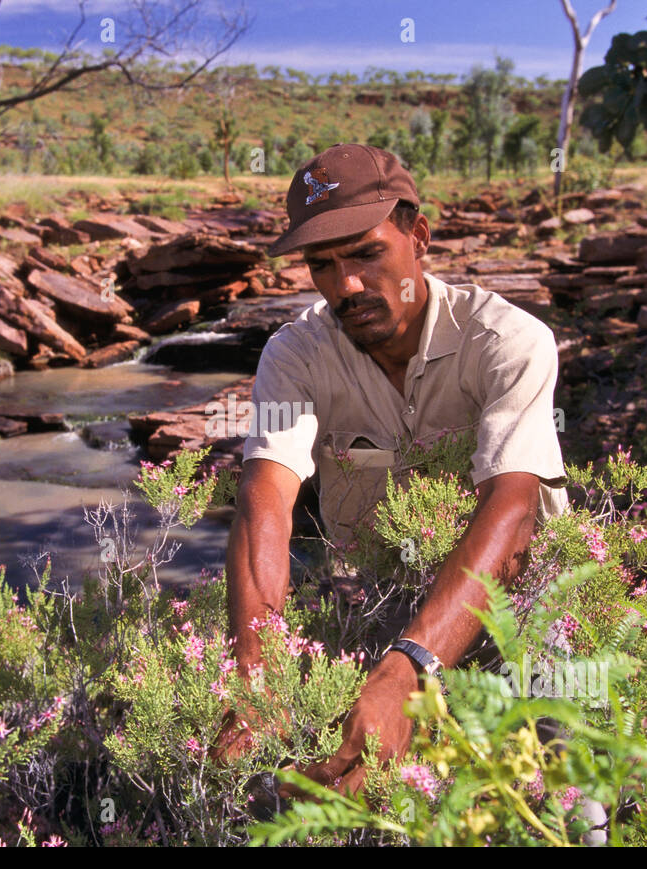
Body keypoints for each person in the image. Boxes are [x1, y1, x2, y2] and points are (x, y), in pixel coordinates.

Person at [211, 142, 572, 802]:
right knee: (343, 798)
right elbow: (265, 500)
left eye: (366, 253)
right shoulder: (296, 355)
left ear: (419, 236)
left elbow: (513, 510)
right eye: (323, 265)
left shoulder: (507, 341)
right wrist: (253, 675)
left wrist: (411, 669)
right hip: (380, 606)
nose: (346, 283)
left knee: (561, 797)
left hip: (528, 619)